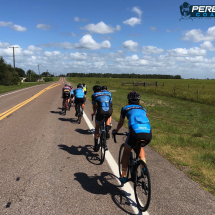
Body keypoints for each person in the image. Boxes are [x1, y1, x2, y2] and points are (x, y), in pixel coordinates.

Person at [112, 91, 152, 183]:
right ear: (139, 100)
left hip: (135, 132)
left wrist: (116, 131)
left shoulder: (125, 108)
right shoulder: (143, 109)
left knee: (126, 152)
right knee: (140, 146)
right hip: (148, 132)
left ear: (128, 99)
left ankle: (123, 176)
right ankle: (143, 166)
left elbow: (121, 123)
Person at [92, 85, 113, 152]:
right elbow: (110, 103)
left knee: (97, 127)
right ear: (101, 90)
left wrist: (94, 112)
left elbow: (94, 106)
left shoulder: (94, 95)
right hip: (109, 110)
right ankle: (107, 129)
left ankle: (96, 146)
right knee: (107, 116)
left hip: (100, 111)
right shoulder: (108, 93)